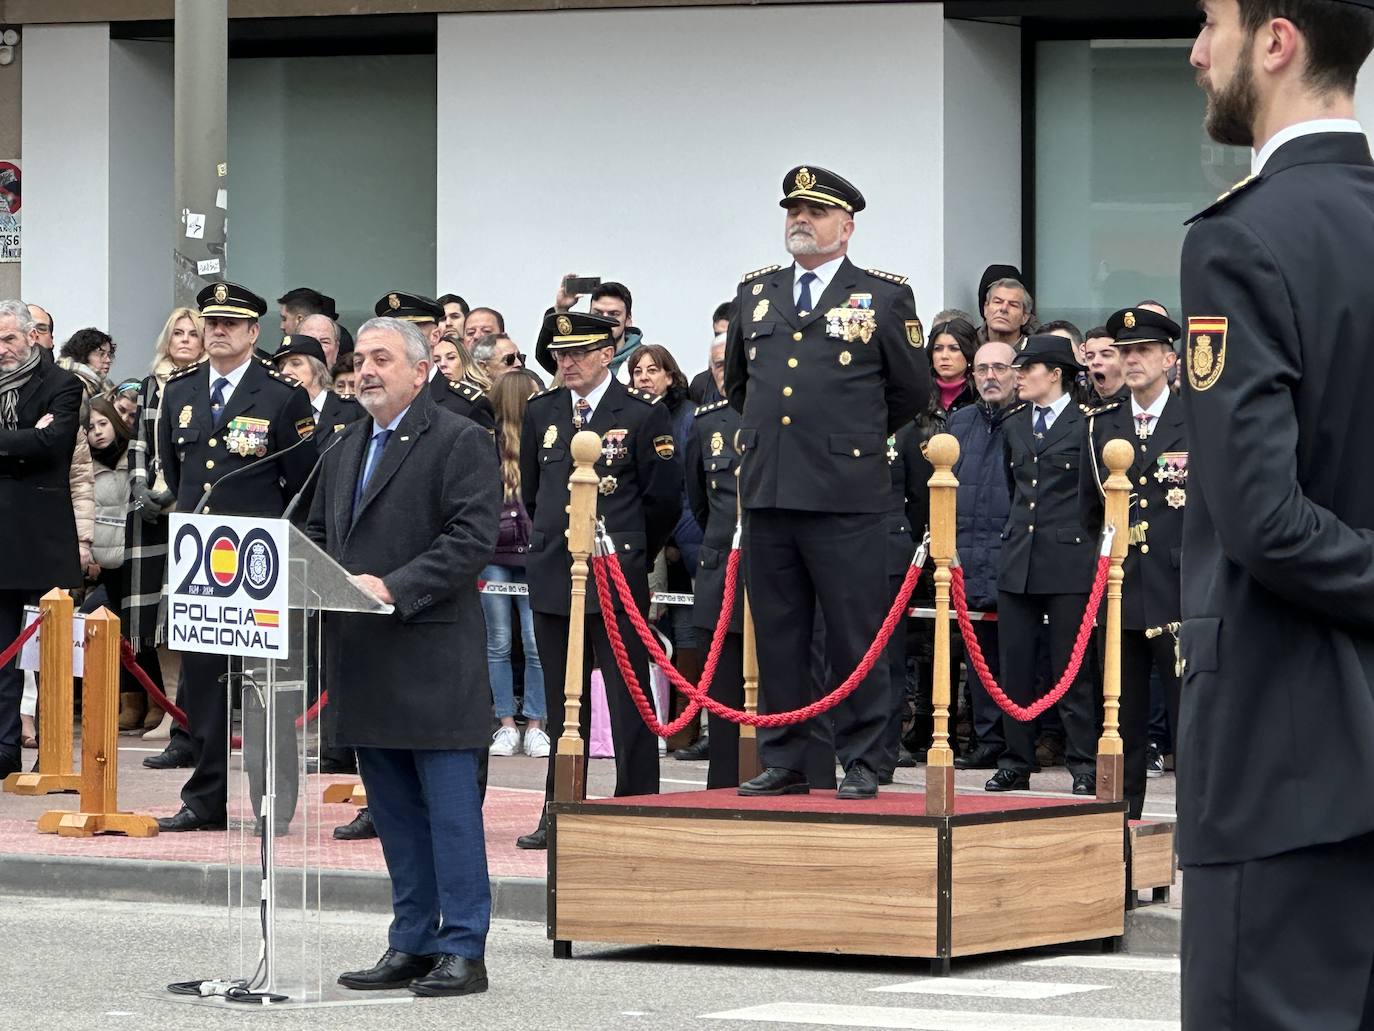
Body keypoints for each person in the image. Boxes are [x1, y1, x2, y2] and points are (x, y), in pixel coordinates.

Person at [1181, 2, 1374, 1026]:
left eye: (1212, 21)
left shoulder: (1242, 239)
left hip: (1280, 755)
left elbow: (1260, 517)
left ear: (1277, 40)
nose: (1197, 51)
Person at [723, 164, 929, 799]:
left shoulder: (883, 297)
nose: (799, 221)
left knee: (854, 632)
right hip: (770, 489)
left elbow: (910, 390)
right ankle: (787, 757)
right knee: (781, 635)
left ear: (847, 225)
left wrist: (850, 440)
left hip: (846, 493)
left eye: (813, 212)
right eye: (792, 211)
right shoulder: (755, 293)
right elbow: (738, 385)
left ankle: (864, 757)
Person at [307, 316, 498, 998]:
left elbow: (471, 537)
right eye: (359, 358)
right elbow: (317, 531)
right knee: (392, 812)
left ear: (421, 371)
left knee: (448, 812)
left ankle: (463, 947)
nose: (365, 369)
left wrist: (394, 585)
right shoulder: (343, 444)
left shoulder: (459, 439)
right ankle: (412, 938)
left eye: (382, 358)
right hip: (365, 659)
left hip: (431, 654)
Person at [514, 312, 681, 850]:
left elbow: (661, 500)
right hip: (556, 570)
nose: (568, 363)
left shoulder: (638, 414)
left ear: (607, 354)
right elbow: (535, 493)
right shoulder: (542, 411)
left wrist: (631, 554)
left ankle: (637, 804)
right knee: (566, 703)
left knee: (627, 694)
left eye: (579, 353)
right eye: (561, 354)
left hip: (615, 574)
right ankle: (559, 807)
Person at [153, 282, 316, 833]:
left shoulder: (281, 395)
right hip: (201, 565)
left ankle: (272, 800)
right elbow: (178, 477)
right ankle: (204, 799)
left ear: (254, 333)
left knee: (266, 690)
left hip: (259, 566)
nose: (217, 331)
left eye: (230, 323)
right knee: (203, 687)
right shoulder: (179, 391)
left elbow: (302, 487)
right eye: (211, 322)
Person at [1079, 306, 1184, 821]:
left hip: (1179, 587)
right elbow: (1088, 509)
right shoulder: (1101, 424)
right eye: (1126, 352)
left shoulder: (1196, 421)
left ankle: (1199, 831)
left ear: (1170, 357)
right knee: (1121, 720)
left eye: (1144, 351)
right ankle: (1122, 823)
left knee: (1191, 719)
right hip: (1122, 590)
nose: (1132, 360)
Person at [985, 333, 1097, 795]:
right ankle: (1016, 759)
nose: (1017, 376)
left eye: (1026, 368)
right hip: (1019, 559)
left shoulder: (1087, 423)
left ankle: (1084, 760)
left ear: (1054, 374)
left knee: (1072, 668)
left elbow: (1091, 497)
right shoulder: (1014, 424)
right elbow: (1014, 495)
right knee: (1014, 667)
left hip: (1068, 558)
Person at [0, 299, 83, 782]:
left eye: (9, 338)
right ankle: (5, 745)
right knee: (4, 653)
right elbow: (34, 442)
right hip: (2, 536)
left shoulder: (62, 384)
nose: (3, 349)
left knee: (51, 653)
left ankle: (52, 750)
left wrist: (30, 439)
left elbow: (55, 445)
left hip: (44, 535)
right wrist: (26, 438)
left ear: (33, 336)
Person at [129, 308, 205, 749]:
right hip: (151, 511)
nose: (183, 339)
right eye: (176, 332)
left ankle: (190, 712)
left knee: (184, 611)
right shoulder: (151, 383)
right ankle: (171, 708)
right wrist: (140, 486)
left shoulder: (204, 383)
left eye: (191, 333)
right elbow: (139, 438)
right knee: (155, 613)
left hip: (189, 509)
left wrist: (174, 490)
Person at [948, 341, 1020, 770]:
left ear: (1016, 373)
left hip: (1011, 559)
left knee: (1017, 662)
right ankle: (988, 739)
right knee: (978, 658)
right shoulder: (958, 423)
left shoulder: (1028, 423)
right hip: (967, 562)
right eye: (982, 369)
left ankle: (1020, 743)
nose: (990, 376)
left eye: (999, 367)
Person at [683, 337, 743, 784]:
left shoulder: (781, 418)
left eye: (730, 363)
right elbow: (700, 504)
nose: (723, 372)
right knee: (720, 687)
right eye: (716, 366)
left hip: (774, 574)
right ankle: (722, 781)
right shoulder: (706, 424)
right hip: (719, 568)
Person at [484, 369, 548, 760]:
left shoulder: (545, 438)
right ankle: (506, 724)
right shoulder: (486, 442)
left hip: (535, 554)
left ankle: (536, 725)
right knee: (499, 641)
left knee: (535, 640)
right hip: (493, 555)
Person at [377, 292, 495, 431]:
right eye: (391, 333)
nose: (399, 340)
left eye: (410, 332)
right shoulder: (376, 400)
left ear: (435, 336)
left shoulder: (466, 405)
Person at [552, 278, 643, 378]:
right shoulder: (576, 357)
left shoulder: (643, 360)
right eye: (597, 313)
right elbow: (546, 354)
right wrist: (561, 309)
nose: (604, 320)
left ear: (628, 320)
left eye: (613, 314)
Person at [57, 328, 116, 402]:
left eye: (109, 354)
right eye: (101, 354)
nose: (108, 360)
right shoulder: (74, 385)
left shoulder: (99, 384)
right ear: (83, 355)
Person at [981, 279, 1033, 347]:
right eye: (998, 302)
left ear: (1024, 317)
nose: (1004, 308)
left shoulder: (1036, 353)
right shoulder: (968, 348)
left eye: (1013, 305)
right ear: (986, 309)